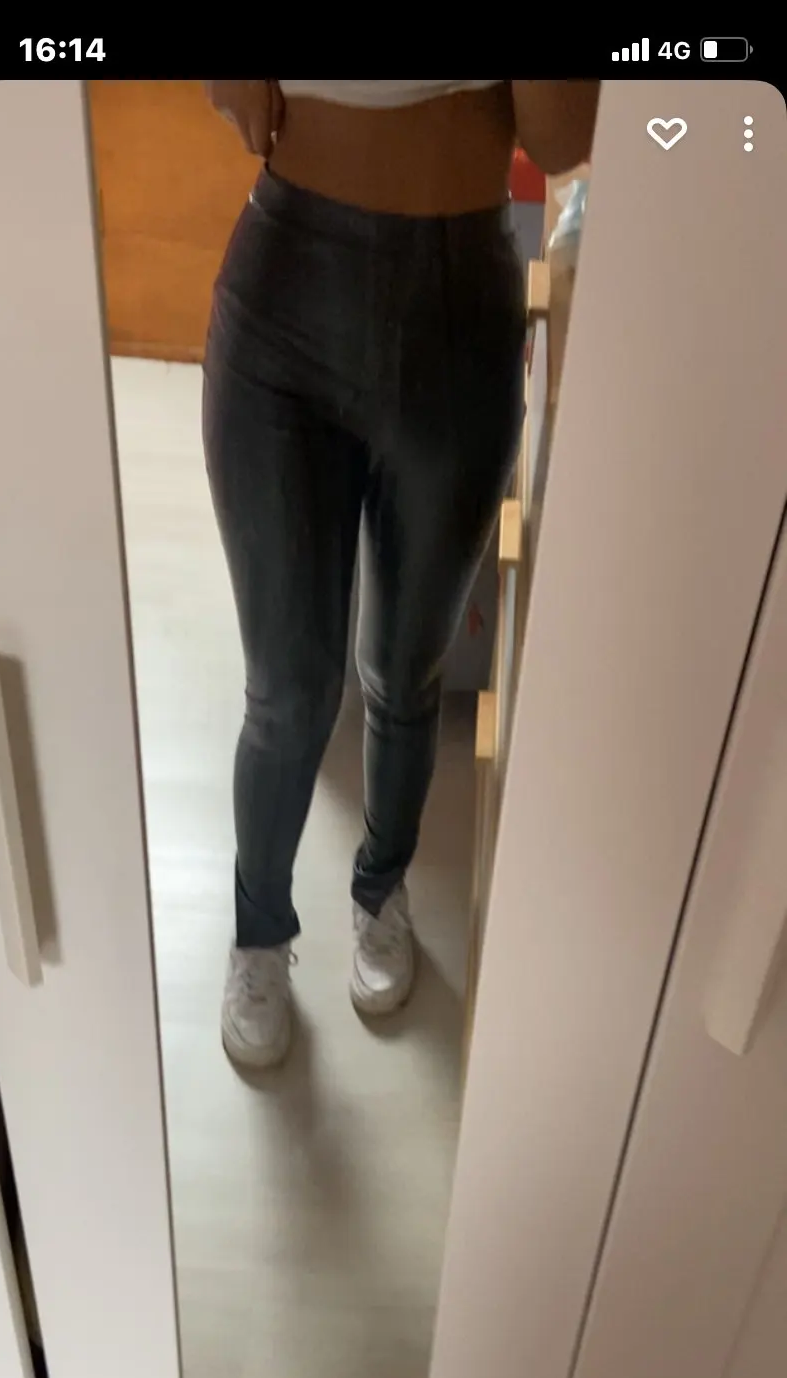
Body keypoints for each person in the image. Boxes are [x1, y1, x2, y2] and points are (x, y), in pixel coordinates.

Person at [202, 79, 598, 1069]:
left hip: (460, 308)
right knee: (287, 692)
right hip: (284, 293)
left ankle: (381, 891)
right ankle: (258, 933)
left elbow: (562, 140)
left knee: (404, 671)